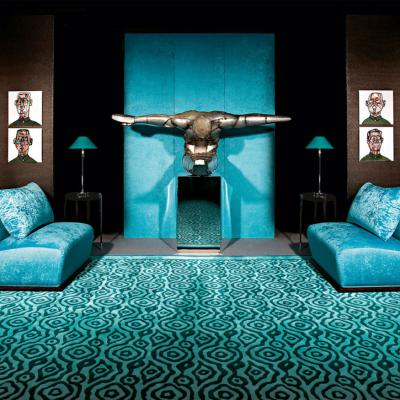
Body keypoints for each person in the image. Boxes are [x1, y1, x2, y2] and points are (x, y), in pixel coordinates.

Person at [112, 110, 291, 176]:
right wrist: (134, 119)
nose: (203, 138)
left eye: (206, 136)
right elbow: (160, 120)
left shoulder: (221, 121)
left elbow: (247, 120)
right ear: (191, 127)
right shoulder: (184, 121)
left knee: (206, 148)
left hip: (208, 150)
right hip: (192, 150)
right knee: (195, 149)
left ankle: (204, 157)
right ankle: (196, 156)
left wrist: (276, 118)